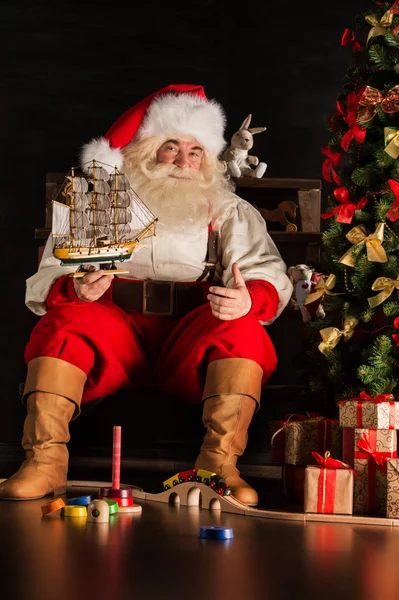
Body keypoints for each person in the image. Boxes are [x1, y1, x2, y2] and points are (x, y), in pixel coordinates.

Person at [0, 84, 292, 506]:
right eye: (170, 147)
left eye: (195, 152)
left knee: (243, 331)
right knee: (65, 321)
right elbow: (46, 278)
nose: (183, 161)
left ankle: (218, 468)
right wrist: (75, 286)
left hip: (189, 334)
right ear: (143, 149)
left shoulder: (226, 208)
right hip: (114, 328)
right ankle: (44, 465)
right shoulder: (99, 202)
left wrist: (249, 300)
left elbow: (266, 271)